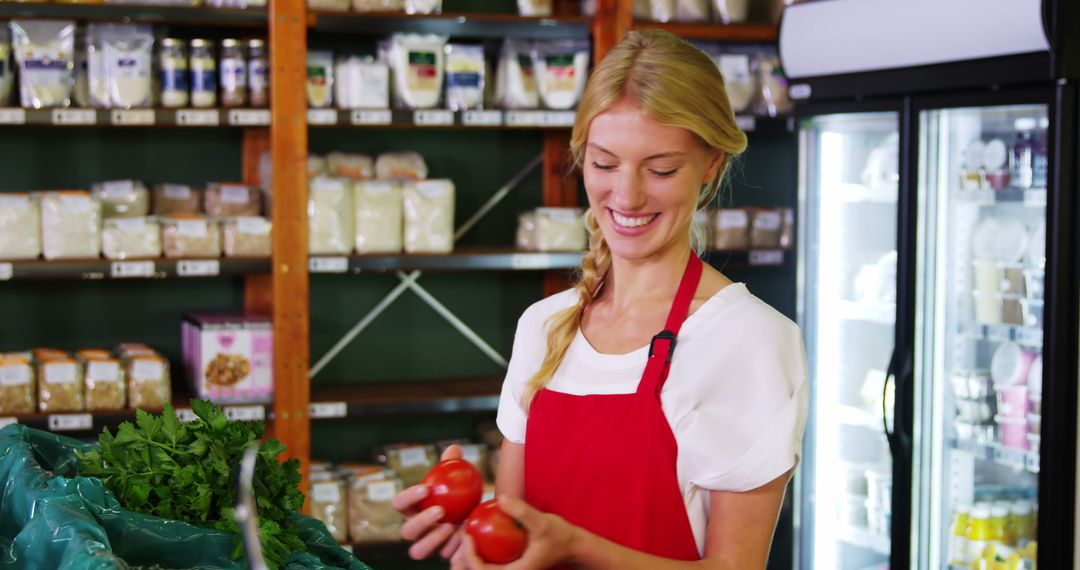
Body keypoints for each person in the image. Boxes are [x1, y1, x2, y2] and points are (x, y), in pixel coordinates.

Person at [392, 29, 809, 569]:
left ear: (710, 165)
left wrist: (573, 546)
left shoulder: (748, 340)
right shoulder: (544, 326)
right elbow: (516, 533)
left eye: (661, 169)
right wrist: (473, 528)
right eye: (604, 164)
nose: (627, 196)